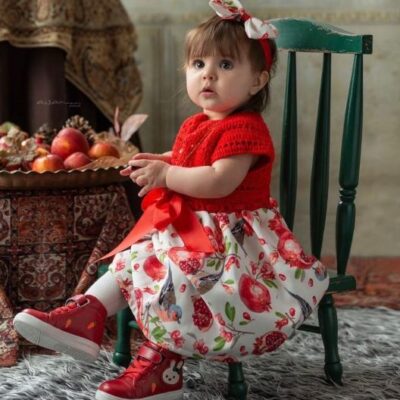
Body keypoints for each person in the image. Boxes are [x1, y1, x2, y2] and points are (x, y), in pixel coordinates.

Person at [13, 1, 330, 399]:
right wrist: (164, 160)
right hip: (196, 232)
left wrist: (167, 175)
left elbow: (219, 181)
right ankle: (87, 314)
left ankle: (162, 365)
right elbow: (190, 160)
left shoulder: (245, 130)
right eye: (198, 64)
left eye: (225, 65)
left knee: (177, 276)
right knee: (132, 260)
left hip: (235, 246)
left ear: (257, 81)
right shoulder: (197, 123)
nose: (208, 74)